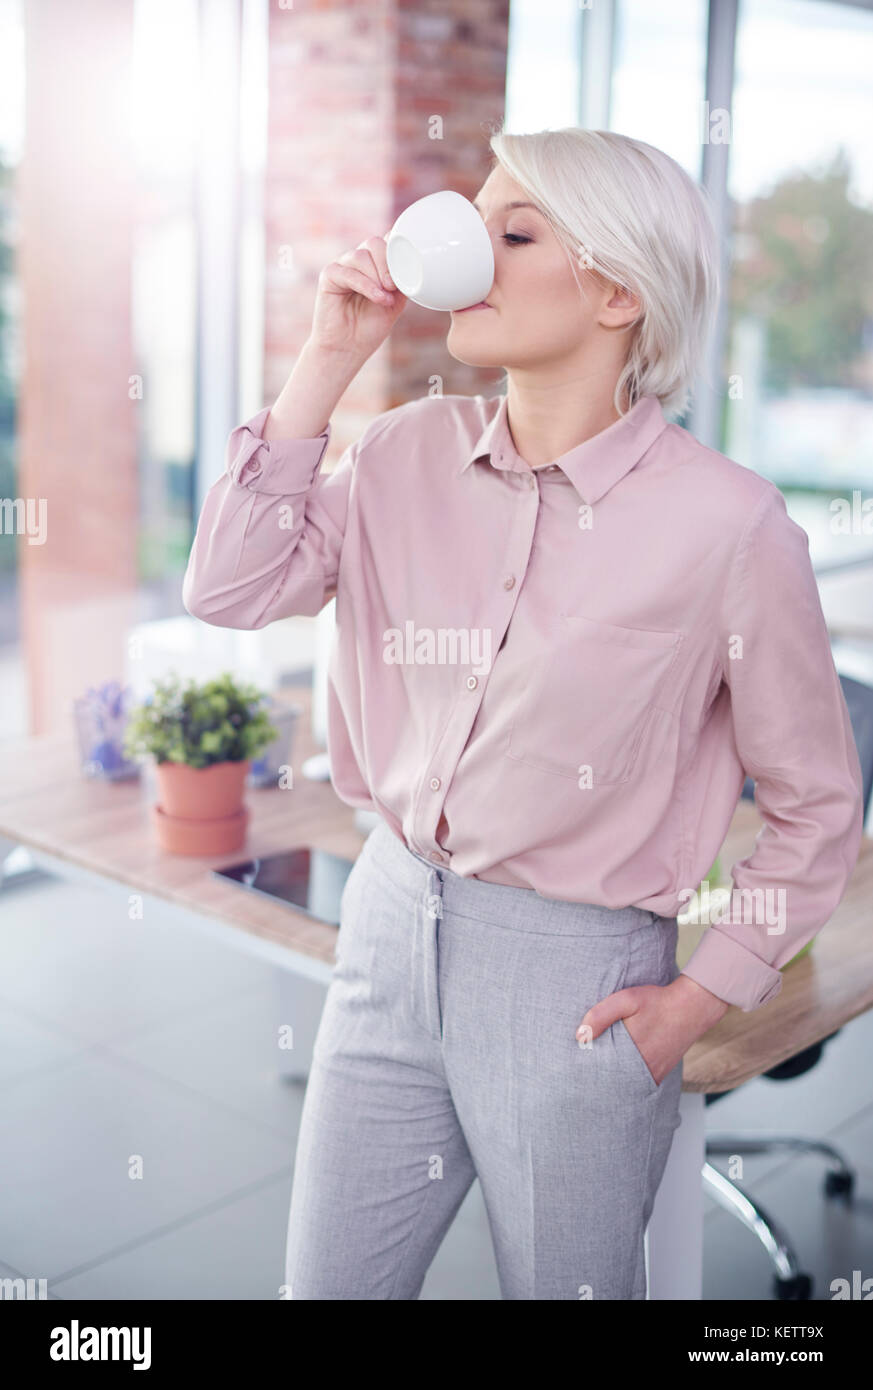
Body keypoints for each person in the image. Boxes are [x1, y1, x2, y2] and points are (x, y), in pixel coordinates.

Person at [182, 127, 865, 1300]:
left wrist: (705, 994)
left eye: (514, 231)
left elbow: (818, 805)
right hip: (390, 926)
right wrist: (325, 362)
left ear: (612, 289)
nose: (466, 251)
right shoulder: (401, 454)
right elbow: (229, 586)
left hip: (579, 984)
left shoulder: (731, 529)